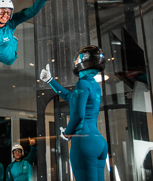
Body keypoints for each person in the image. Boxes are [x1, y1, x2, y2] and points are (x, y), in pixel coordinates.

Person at [40, 45, 108, 181]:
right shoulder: (94, 85)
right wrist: (50, 81)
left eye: (78, 59)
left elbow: (78, 115)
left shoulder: (82, 84)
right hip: (98, 141)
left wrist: (66, 133)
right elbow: (70, 97)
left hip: (84, 142)